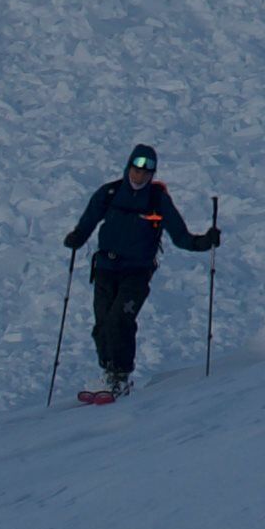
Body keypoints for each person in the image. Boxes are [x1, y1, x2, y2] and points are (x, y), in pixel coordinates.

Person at [62, 144, 219, 397]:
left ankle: (121, 376)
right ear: (128, 168)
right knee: (102, 324)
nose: (140, 176)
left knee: (119, 320)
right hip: (104, 267)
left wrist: (203, 242)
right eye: (136, 169)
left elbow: (180, 236)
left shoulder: (158, 200)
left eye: (146, 172)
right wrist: (77, 238)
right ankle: (108, 372)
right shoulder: (110, 192)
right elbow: (89, 220)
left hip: (136, 272)